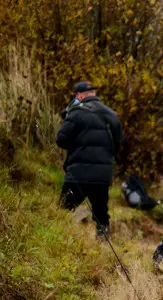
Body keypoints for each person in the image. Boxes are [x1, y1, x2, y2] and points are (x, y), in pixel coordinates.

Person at [56, 81, 123, 238]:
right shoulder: (112, 115)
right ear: (94, 94)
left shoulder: (75, 113)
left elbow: (61, 140)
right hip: (102, 175)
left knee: (62, 210)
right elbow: (119, 143)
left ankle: (58, 243)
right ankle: (103, 246)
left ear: (79, 95)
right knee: (101, 215)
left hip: (78, 173)